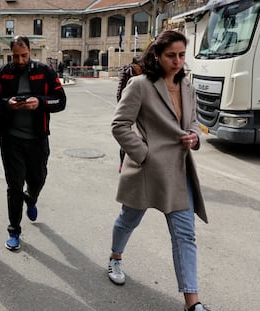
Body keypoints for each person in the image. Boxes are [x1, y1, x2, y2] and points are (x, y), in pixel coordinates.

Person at [107, 30, 210, 311]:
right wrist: (143, 154)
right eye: (170, 56)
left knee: (184, 235)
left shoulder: (187, 85)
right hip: (146, 171)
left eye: (181, 55)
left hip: (178, 171)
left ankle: (193, 302)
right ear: (157, 55)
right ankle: (115, 256)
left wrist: (194, 137)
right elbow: (120, 124)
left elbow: (193, 122)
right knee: (128, 220)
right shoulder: (140, 84)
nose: (177, 62)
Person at [0, 35, 66, 251]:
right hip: (11, 139)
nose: (20, 60)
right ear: (10, 53)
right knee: (14, 186)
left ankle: (31, 198)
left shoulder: (44, 71)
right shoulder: (3, 73)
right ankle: (14, 230)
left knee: (38, 178)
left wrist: (41, 102)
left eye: (24, 55)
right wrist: (8, 103)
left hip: (38, 139)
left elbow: (60, 100)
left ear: (30, 52)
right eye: (16, 56)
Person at [116, 56, 143, 172]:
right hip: (128, 109)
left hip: (142, 109)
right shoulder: (126, 73)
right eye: (140, 67)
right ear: (134, 65)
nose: (141, 69)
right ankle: (122, 162)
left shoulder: (144, 74)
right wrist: (123, 110)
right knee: (126, 138)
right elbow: (119, 93)